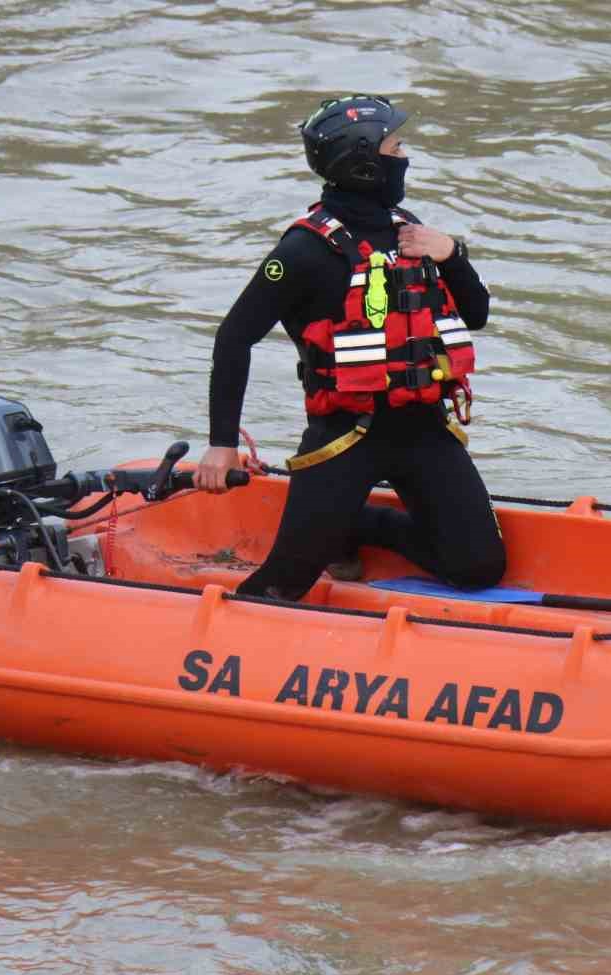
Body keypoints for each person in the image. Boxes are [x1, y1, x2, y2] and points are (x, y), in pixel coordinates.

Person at [195, 94, 506, 600]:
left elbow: (476, 315)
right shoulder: (302, 251)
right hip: (346, 436)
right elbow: (235, 337)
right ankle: (330, 527)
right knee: (281, 586)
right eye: (396, 145)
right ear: (366, 163)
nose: (405, 156)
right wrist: (222, 443)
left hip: (425, 429)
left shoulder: (413, 232)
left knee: (479, 566)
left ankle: (360, 525)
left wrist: (451, 253)